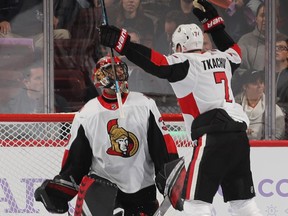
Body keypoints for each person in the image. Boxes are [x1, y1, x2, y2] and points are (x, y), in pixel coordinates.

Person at [99, 0, 263, 215]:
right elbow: (235, 50)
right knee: (243, 202)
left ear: (178, 47)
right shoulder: (223, 57)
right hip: (239, 136)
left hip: (211, 138)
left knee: (196, 203)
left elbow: (157, 64)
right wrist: (214, 23)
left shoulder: (186, 63)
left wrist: (125, 44)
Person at [34, 56, 180, 215]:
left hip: (142, 191)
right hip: (103, 192)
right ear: (99, 77)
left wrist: (172, 178)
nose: (117, 75)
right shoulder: (87, 114)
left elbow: (162, 146)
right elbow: (76, 161)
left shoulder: (145, 105)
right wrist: (59, 192)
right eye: (111, 71)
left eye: (119, 70)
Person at [1, 60, 70, 113]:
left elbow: (67, 127)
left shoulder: (59, 101)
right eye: (38, 78)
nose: (43, 82)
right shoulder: (13, 103)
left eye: (45, 78)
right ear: (26, 82)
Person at [235, 69, 285, 140]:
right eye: (255, 83)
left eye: (261, 82)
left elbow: (277, 135)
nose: (259, 86)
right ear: (245, 86)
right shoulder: (234, 106)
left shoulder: (273, 109)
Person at [0, 0, 70, 48]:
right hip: (15, 36)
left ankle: (38, 59)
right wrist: (2, 20)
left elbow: (50, 18)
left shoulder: (45, 2)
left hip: (38, 37)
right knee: (2, 34)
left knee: (63, 33)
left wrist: (51, 18)